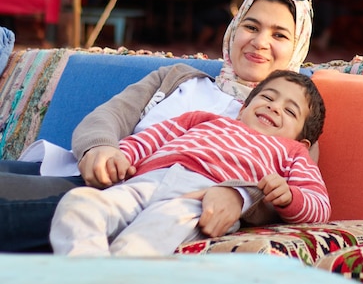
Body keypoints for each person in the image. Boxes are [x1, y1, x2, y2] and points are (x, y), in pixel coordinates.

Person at [0, 0, 314, 252]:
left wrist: (238, 197)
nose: (259, 42)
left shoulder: (286, 121)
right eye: (251, 26)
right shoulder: (177, 77)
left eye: (279, 35)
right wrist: (100, 147)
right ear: (234, 29)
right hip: (87, 172)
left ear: (298, 45)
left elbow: (289, 193)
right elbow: (110, 116)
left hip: (126, 199)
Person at [50, 70, 329, 256]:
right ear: (243, 108)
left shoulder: (293, 152)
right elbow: (149, 140)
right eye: (268, 97)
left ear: (303, 140)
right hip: (145, 181)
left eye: (290, 110)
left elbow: (319, 205)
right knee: (79, 205)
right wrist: (119, 157)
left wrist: (290, 197)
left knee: (139, 244)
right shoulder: (201, 119)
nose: (274, 106)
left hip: (199, 199)